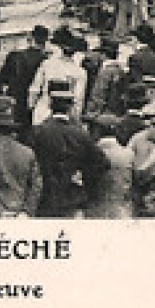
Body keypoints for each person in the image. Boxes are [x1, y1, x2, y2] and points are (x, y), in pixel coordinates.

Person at [30, 83, 103, 218]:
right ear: (70, 108)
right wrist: (83, 178)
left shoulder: (38, 131)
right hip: (72, 196)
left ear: (50, 106)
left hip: (45, 196)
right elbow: (101, 163)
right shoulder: (80, 133)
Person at [85, 113, 136, 218]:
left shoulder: (89, 154)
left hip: (95, 211)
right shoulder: (128, 154)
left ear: (98, 131)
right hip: (122, 210)